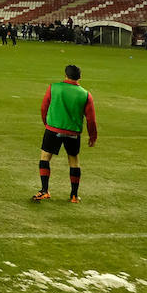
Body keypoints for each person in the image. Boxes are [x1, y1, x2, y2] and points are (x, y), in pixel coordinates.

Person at [32, 64, 98, 203]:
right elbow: (91, 119)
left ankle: (44, 190)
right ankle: (74, 195)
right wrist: (93, 136)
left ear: (65, 75)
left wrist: (47, 123)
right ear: (80, 77)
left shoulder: (53, 87)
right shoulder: (85, 94)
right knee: (73, 160)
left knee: (45, 157)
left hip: (53, 129)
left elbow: (44, 107)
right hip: (73, 132)